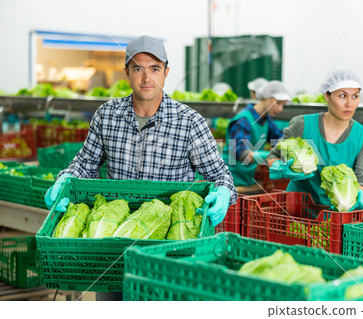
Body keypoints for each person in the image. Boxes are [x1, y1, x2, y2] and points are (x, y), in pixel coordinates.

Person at [44, 35, 238, 300]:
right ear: (126, 73)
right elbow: (85, 164)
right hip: (113, 245)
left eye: (155, 68)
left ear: (166, 73)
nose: (147, 77)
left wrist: (224, 193)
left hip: (166, 248)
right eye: (138, 68)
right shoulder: (107, 115)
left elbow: (220, 175)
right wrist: (64, 180)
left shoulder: (189, 122)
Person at [267, 67, 363, 210]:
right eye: (342, 96)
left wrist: (356, 196)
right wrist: (281, 168)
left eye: (355, 96)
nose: (349, 103)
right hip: (297, 209)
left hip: (336, 215)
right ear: (327, 96)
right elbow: (272, 157)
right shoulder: (302, 125)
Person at [223, 80, 291, 186]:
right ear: (267, 98)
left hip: (248, 178)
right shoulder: (243, 120)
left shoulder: (266, 121)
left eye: (283, 105)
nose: (280, 109)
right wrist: (269, 156)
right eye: (278, 103)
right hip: (231, 180)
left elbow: (280, 139)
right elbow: (242, 154)